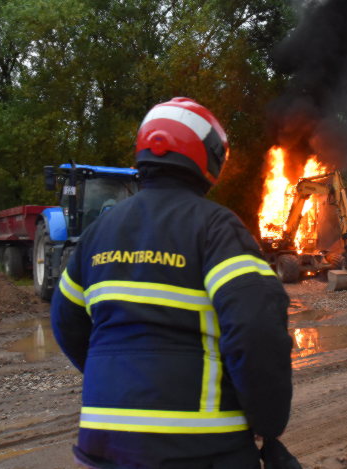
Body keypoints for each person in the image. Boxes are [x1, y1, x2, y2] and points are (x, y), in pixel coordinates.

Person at [51, 97, 293, 468]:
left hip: (102, 445)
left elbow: (66, 323)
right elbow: (256, 326)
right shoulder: (216, 227)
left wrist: (117, 376)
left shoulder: (98, 233)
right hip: (201, 447)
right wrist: (269, 421)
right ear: (210, 158)